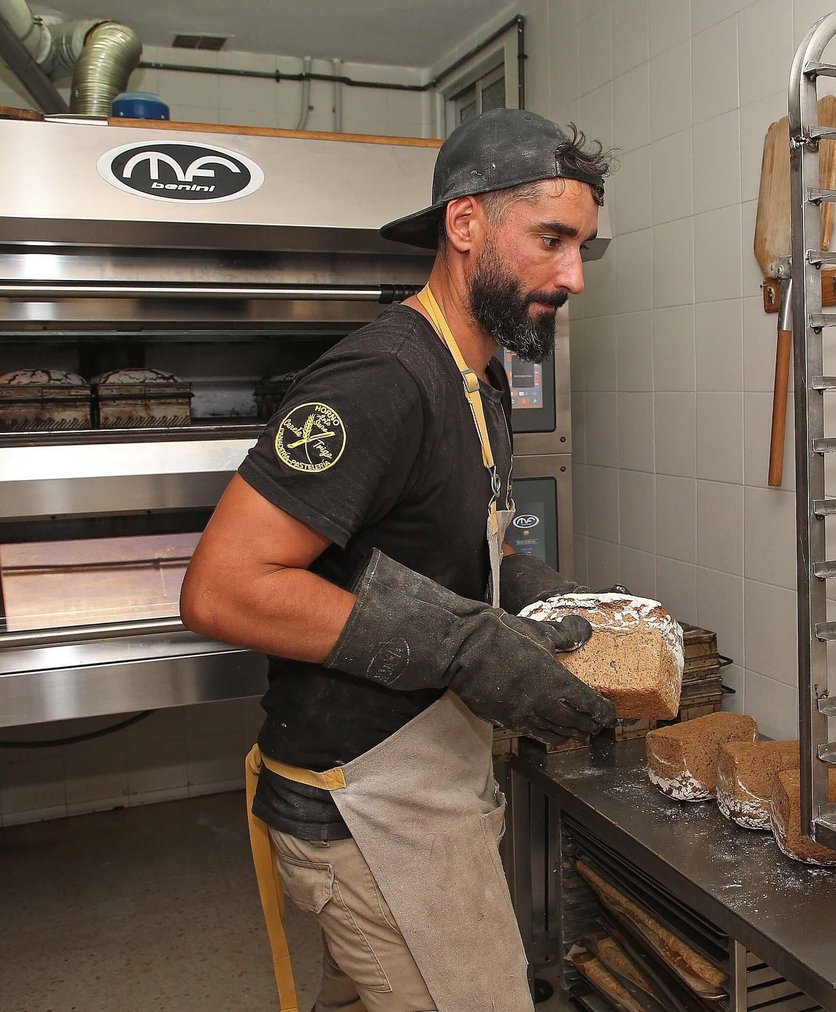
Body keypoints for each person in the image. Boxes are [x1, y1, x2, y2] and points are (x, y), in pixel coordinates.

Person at [180, 109, 616, 1012]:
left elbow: (422, 538)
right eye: (551, 239)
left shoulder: (481, 374)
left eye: (582, 247)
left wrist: (517, 589)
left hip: (428, 782)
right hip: (362, 805)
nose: (573, 276)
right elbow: (222, 590)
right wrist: (462, 647)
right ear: (466, 225)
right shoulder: (382, 380)